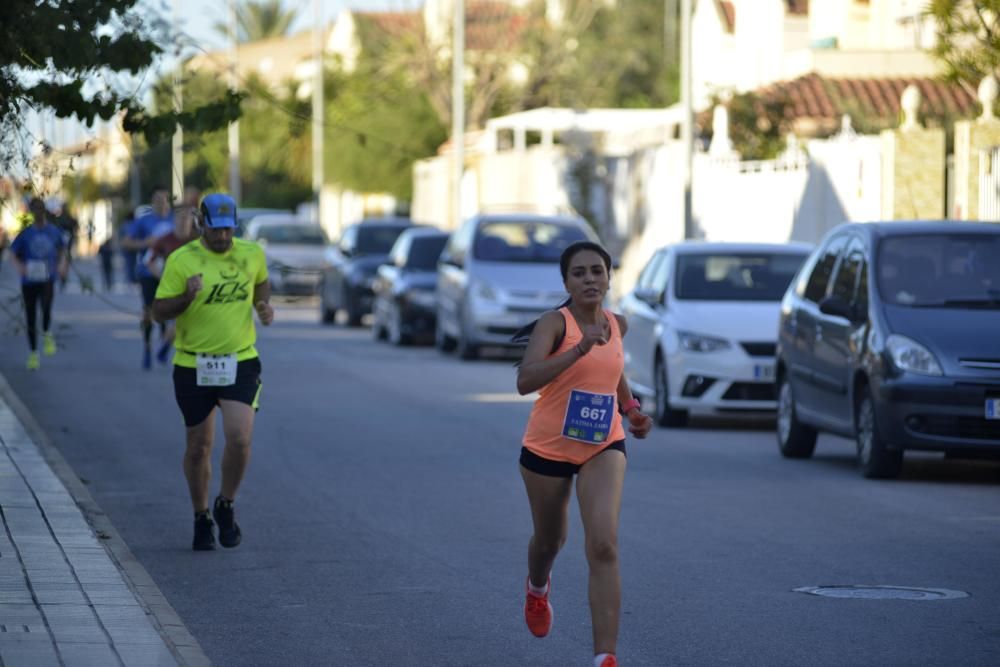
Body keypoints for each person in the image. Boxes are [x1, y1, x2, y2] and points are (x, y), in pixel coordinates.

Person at [512, 241, 653, 667]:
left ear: (610, 278)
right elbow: (525, 381)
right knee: (551, 540)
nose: (590, 279)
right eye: (579, 273)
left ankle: (604, 657)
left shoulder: (618, 324)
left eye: (597, 271)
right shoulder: (555, 324)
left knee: (604, 543)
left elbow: (613, 369)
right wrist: (578, 348)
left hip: (602, 444)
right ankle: (537, 588)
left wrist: (630, 409)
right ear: (567, 282)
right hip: (548, 447)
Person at [152, 193, 273, 552]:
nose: (222, 237)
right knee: (199, 446)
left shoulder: (251, 253)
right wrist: (186, 298)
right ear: (200, 224)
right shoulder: (181, 260)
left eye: (228, 230)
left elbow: (261, 281)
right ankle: (201, 514)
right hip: (193, 363)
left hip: (239, 359)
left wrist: (263, 305)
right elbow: (159, 311)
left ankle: (226, 503)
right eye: (215, 230)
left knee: (239, 437)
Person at [9, 198, 69, 370]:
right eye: (35, 209)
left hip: (47, 278)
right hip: (29, 280)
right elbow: (12, 253)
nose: (38, 212)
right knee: (30, 316)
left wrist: (62, 265)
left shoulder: (53, 231)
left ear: (45, 211)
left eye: (41, 209)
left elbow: (63, 250)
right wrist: (20, 267)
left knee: (46, 307)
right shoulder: (25, 233)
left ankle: (46, 331)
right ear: (31, 211)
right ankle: (33, 352)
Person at [144, 195, 201, 363]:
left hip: (195, 286)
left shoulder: (198, 240)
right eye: (181, 217)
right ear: (174, 218)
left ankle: (167, 345)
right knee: (171, 320)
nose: (184, 221)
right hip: (171, 286)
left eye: (188, 217)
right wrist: (162, 277)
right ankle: (162, 345)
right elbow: (149, 261)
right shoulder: (164, 240)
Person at [123, 187, 175, 369]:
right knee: (148, 311)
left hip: (170, 273)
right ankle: (147, 347)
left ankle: (163, 344)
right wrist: (146, 243)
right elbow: (127, 242)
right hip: (147, 272)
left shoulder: (174, 220)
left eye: (164, 200)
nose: (161, 204)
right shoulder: (144, 221)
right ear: (152, 203)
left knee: (166, 311)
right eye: (157, 200)